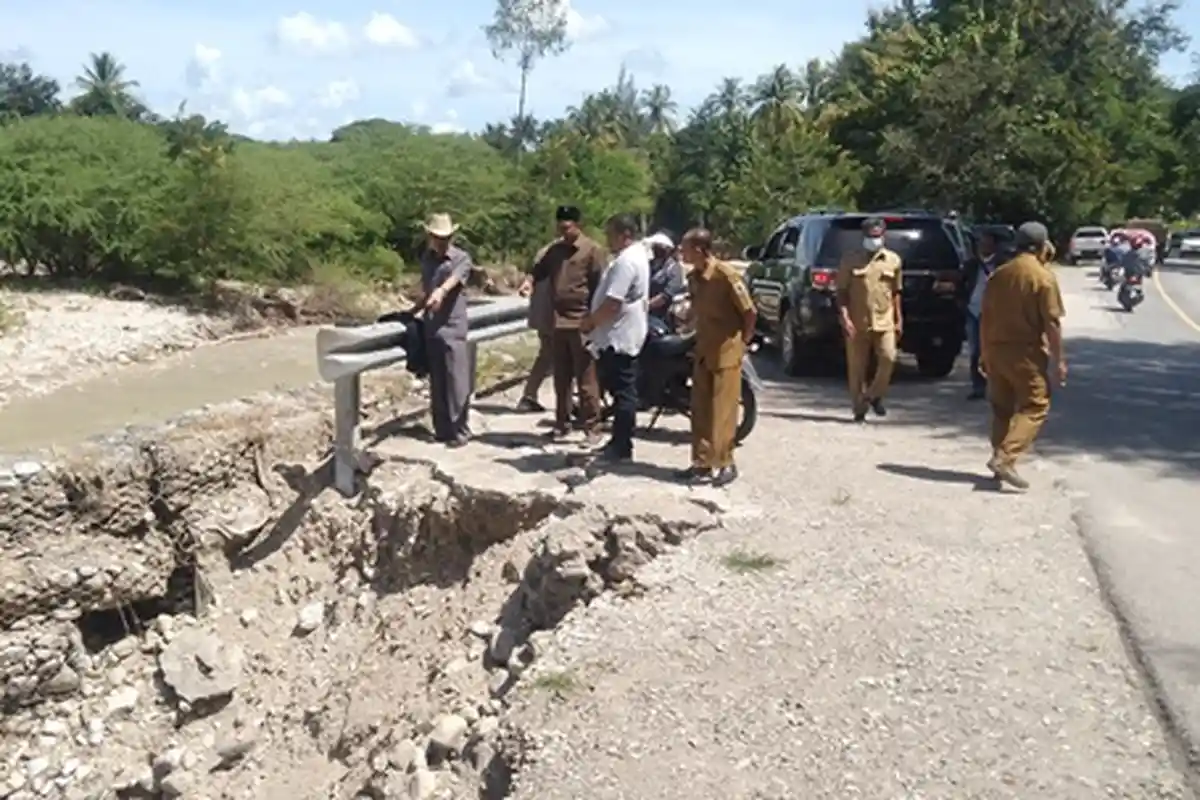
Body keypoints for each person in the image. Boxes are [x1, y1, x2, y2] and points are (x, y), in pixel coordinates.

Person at [979, 221, 1067, 490]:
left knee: (1001, 408)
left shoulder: (999, 274)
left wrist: (983, 352)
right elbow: (1052, 322)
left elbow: (985, 316)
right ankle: (1005, 459)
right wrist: (1059, 360)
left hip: (995, 349)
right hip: (1025, 351)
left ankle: (999, 461)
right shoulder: (1043, 277)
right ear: (1042, 246)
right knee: (1036, 405)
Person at [675, 227, 756, 487]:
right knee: (700, 409)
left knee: (723, 411)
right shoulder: (694, 278)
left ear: (699, 250)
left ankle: (725, 462)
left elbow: (749, 312)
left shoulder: (726, 275)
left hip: (726, 351)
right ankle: (701, 463)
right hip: (703, 349)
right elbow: (696, 310)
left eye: (685, 248)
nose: (681, 253)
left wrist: (743, 343)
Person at [530, 205, 608, 443]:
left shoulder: (592, 250)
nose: (563, 232)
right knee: (561, 378)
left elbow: (600, 286)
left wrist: (593, 320)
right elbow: (539, 272)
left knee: (586, 380)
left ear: (577, 225)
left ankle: (592, 427)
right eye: (560, 228)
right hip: (557, 321)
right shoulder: (555, 251)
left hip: (581, 321)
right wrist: (528, 281)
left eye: (567, 227)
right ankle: (561, 424)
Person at [580, 213, 650, 463]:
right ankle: (619, 442)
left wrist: (591, 322)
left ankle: (621, 446)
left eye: (611, 234)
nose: (607, 239)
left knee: (623, 394)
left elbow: (612, 303)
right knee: (621, 391)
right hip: (622, 334)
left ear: (625, 235)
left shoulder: (626, 262)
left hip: (619, 337)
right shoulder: (635, 256)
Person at [836, 217, 903, 422]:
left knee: (889, 358)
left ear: (883, 235)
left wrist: (898, 318)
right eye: (870, 236)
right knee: (857, 368)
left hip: (884, 320)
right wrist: (845, 318)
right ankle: (859, 409)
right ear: (863, 236)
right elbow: (841, 292)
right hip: (858, 322)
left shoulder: (893, 260)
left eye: (877, 236)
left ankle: (873, 395)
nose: (874, 240)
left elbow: (896, 292)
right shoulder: (850, 260)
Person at [417, 212, 475, 447]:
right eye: (437, 237)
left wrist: (441, 291)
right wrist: (415, 309)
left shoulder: (461, 258)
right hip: (432, 326)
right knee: (438, 381)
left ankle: (460, 429)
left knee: (456, 380)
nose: (441, 242)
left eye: (445, 238)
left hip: (453, 327)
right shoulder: (427, 259)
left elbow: (454, 280)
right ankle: (442, 430)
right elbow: (427, 290)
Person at [515, 242, 555, 413]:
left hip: (543, 313)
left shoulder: (544, 251)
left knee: (547, 355)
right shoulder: (563, 252)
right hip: (554, 314)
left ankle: (529, 394)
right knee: (557, 356)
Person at [963, 230, 1000, 400]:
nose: (983, 245)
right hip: (973, 312)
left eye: (987, 242)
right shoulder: (972, 264)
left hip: (994, 314)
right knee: (975, 351)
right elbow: (962, 283)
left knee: (995, 351)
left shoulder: (1002, 265)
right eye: (981, 242)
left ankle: (998, 385)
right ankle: (978, 387)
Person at [645, 232, 685, 325]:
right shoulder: (649, 265)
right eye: (655, 246)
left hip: (661, 318)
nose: (656, 250)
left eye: (660, 247)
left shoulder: (674, 269)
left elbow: (665, 296)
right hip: (644, 314)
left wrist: (646, 306)